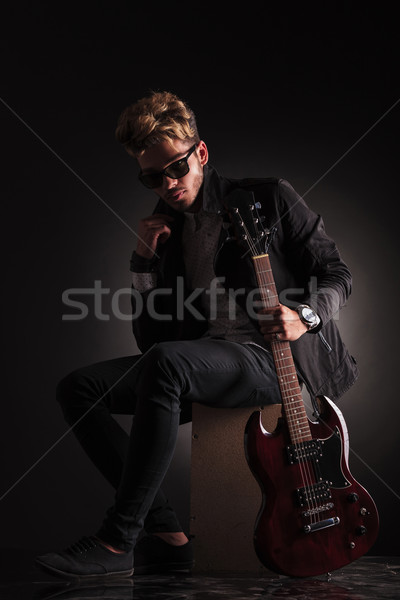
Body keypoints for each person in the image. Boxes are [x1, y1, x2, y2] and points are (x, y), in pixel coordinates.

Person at [36, 91, 358, 580]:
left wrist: (305, 316)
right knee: (78, 388)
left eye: (176, 169)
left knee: (168, 363)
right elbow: (151, 341)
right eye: (151, 176)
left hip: (275, 360)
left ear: (200, 154)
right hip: (203, 361)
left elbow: (338, 272)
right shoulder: (164, 230)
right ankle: (167, 534)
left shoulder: (268, 197)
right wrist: (142, 262)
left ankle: (118, 540)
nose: (166, 184)